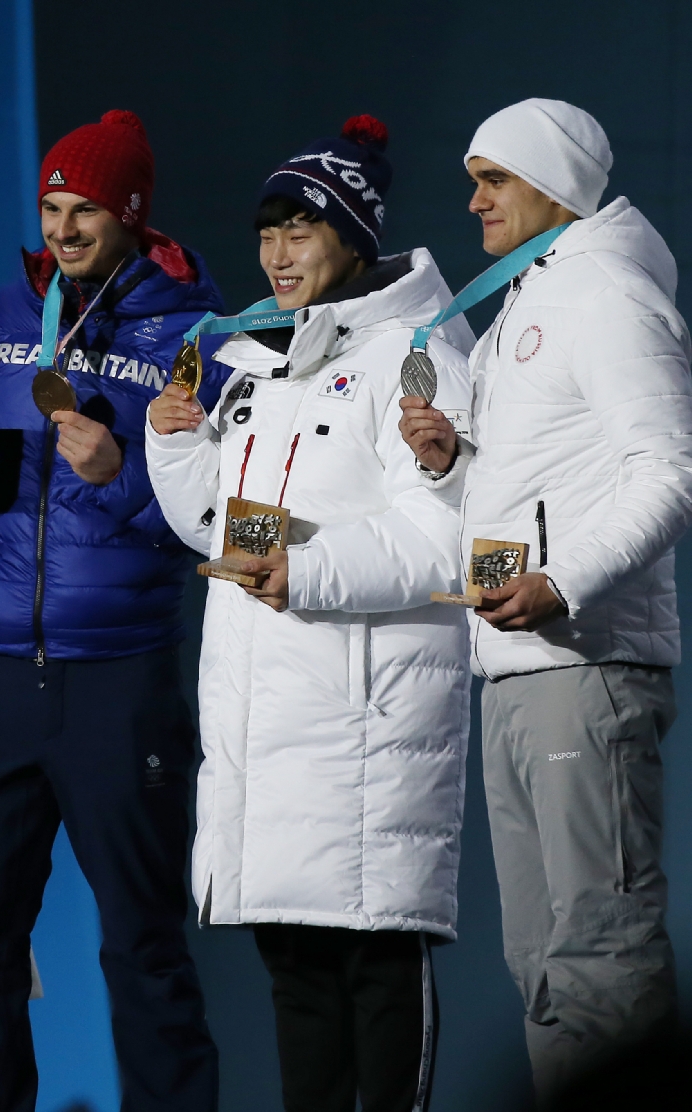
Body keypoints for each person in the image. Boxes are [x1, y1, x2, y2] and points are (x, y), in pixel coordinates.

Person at [146, 116, 473, 1112]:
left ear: (354, 237)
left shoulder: (415, 354)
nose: (277, 253)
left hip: (366, 727)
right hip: (270, 726)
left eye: (300, 230)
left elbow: (443, 537)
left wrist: (308, 567)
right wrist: (175, 447)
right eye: (266, 232)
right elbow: (227, 529)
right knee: (295, 974)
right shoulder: (256, 360)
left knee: (374, 975)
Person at [0, 110, 227, 1112]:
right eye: (50, 206)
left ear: (130, 211)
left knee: (143, 946)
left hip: (118, 677)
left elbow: (231, 518)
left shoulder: (192, 334)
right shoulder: (0, 318)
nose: (61, 226)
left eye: (83, 207)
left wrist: (123, 470)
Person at [399, 99, 692, 1103]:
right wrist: (450, 461)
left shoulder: (606, 292)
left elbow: (671, 471)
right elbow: (535, 480)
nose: (474, 200)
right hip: (521, 668)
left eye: (496, 180)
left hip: (588, 666)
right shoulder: (532, 295)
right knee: (546, 976)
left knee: (601, 967)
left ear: (555, 185)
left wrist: (562, 581)